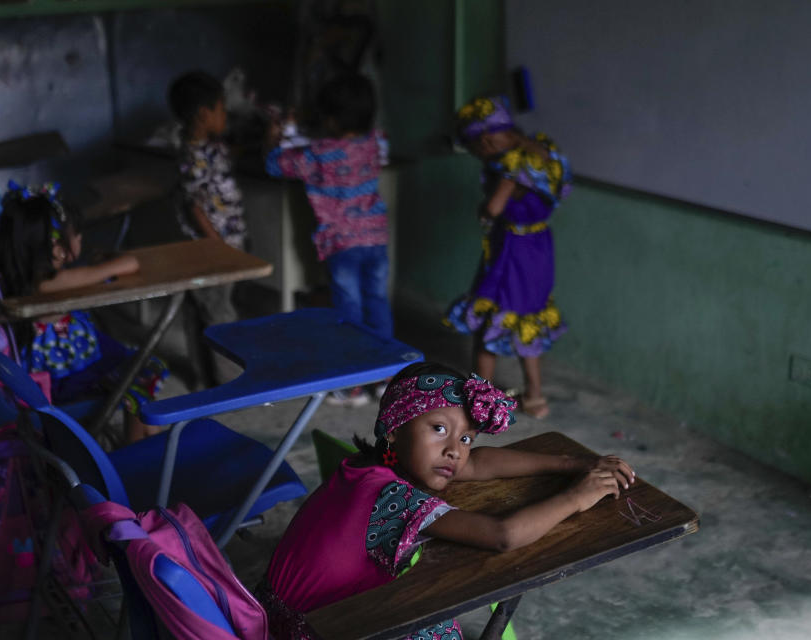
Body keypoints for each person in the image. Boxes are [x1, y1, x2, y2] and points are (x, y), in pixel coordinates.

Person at [255, 361, 635, 639]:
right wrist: (577, 496)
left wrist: (575, 463)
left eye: (465, 438)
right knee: (435, 626)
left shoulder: (368, 465)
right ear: (393, 428)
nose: (454, 451)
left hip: (278, 612)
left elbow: (477, 464)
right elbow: (503, 534)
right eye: (439, 429)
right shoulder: (392, 497)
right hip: (312, 631)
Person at [0, 183, 167, 443]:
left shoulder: (25, 277)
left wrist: (95, 266)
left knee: (137, 387)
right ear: (57, 247)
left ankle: (147, 450)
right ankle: (141, 456)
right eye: (78, 234)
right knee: (136, 380)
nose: (81, 239)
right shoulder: (50, 283)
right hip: (67, 375)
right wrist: (107, 263)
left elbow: (85, 275)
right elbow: (130, 263)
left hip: (61, 363)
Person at [264, 73, 391, 407]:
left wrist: (274, 136)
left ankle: (353, 387)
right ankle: (386, 378)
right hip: (376, 238)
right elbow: (382, 151)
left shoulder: (320, 153)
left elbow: (275, 165)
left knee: (349, 312)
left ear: (330, 119)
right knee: (377, 303)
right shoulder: (375, 142)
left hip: (342, 243)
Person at [445, 96, 573, 419]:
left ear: (487, 141)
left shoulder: (512, 165)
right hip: (540, 246)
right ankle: (535, 397)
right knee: (529, 319)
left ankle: (481, 399)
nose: (480, 157)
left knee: (492, 320)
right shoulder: (545, 152)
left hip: (512, 251)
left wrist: (485, 209)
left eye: (476, 150)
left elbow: (493, 208)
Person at [168, 70, 247, 331]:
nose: (226, 115)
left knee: (209, 307)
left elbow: (225, 159)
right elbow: (195, 208)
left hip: (223, 243)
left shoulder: (209, 146)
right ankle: (229, 372)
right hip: (211, 248)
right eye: (221, 109)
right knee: (218, 313)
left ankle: (206, 371)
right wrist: (217, 247)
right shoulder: (193, 157)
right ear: (204, 114)